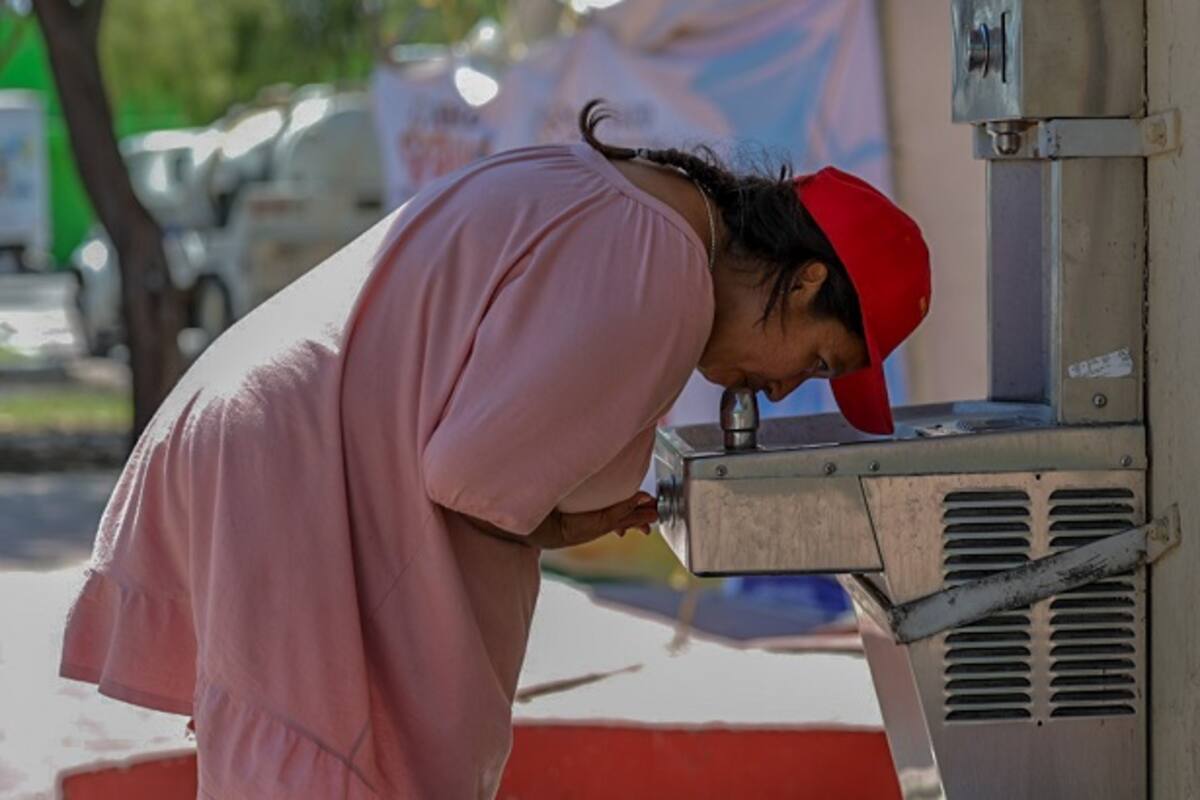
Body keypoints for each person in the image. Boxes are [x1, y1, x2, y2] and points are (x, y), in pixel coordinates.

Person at [58, 100, 930, 798]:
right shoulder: (668, 277)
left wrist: (556, 515)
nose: (781, 392)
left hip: (253, 419)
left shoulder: (624, 193)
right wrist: (549, 516)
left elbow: (467, 443)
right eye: (816, 362)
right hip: (297, 470)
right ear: (806, 280)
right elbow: (472, 480)